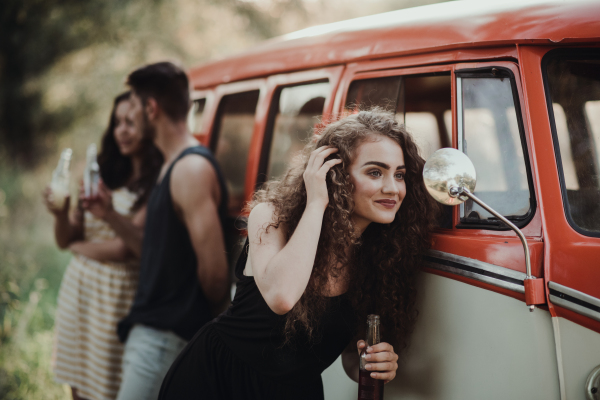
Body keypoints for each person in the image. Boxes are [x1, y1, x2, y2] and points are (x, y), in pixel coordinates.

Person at [158, 109, 439, 399]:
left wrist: (377, 364)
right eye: (375, 172)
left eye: (400, 174)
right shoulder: (271, 217)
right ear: (335, 174)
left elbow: (350, 360)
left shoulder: (381, 256)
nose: (392, 188)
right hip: (219, 382)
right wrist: (317, 202)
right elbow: (282, 297)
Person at [106, 62, 230, 400]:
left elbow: (216, 278)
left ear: (151, 108)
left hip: (163, 340)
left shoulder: (190, 169)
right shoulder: (172, 165)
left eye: (133, 107)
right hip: (153, 336)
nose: (129, 117)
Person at [46, 91, 162, 400]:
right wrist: (60, 213)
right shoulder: (99, 170)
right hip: (79, 290)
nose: (122, 130)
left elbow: (125, 249)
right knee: (78, 386)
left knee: (108, 387)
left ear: (150, 126)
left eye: (131, 122)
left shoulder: (159, 181)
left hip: (118, 297)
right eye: (117, 122)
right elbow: (65, 237)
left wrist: (77, 247)